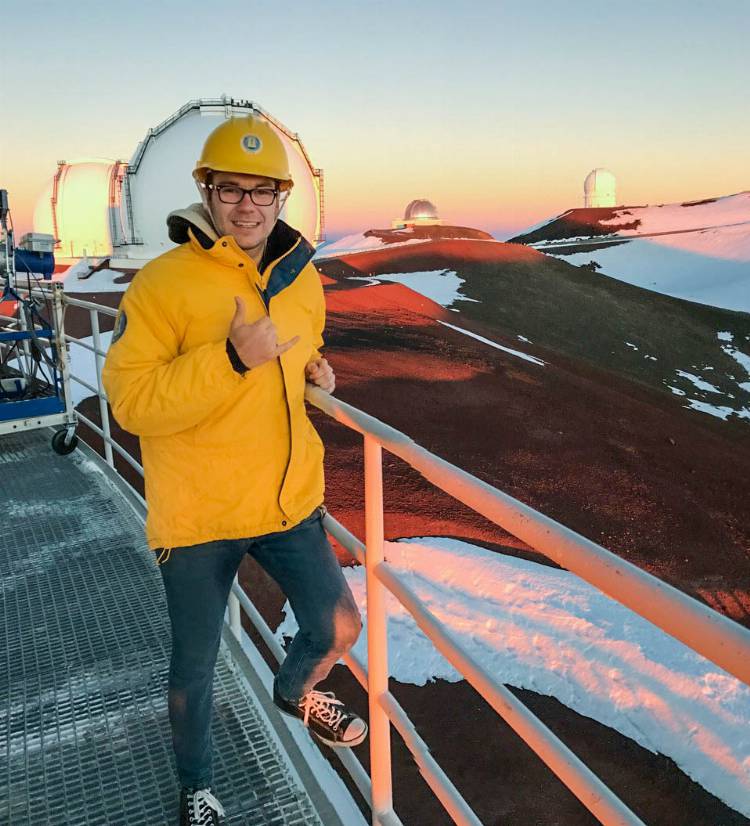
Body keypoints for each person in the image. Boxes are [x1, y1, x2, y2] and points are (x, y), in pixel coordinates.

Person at [102, 115, 366, 826]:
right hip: (199, 516)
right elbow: (128, 401)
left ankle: (294, 689)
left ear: (283, 196)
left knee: (339, 627)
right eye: (230, 190)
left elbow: (298, 355)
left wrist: (317, 376)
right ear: (205, 191)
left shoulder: (301, 279)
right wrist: (227, 359)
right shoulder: (162, 286)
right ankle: (196, 786)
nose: (246, 206)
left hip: (286, 502)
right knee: (195, 668)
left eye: (261, 192)